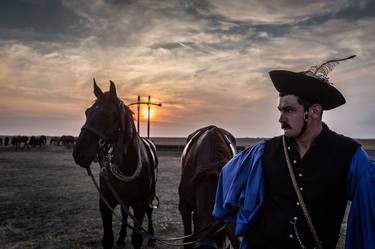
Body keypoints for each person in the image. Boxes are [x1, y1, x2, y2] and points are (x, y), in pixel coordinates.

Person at [213, 56, 375, 249]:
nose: (281, 118)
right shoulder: (263, 152)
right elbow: (227, 181)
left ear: (314, 111)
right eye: (280, 110)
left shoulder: (350, 156)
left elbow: (368, 213)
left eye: (289, 110)